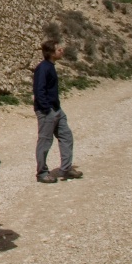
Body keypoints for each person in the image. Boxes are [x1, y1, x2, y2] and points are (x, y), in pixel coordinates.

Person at [33, 40, 83, 183]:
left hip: (56, 110)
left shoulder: (50, 67)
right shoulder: (43, 68)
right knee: (45, 142)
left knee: (66, 136)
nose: (62, 50)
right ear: (51, 52)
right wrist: (46, 109)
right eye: (58, 49)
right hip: (47, 111)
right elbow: (39, 90)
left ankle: (66, 169)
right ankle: (42, 173)